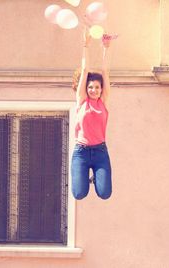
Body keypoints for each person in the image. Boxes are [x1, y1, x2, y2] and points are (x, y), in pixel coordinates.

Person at [71, 28, 113, 200]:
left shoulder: (103, 102)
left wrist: (106, 48)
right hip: (81, 151)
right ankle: (82, 174)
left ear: (101, 89)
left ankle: (96, 175)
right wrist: (85, 45)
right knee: (79, 193)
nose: (93, 90)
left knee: (104, 193)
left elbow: (105, 71)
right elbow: (85, 68)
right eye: (90, 87)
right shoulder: (81, 100)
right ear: (86, 89)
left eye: (97, 87)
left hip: (100, 151)